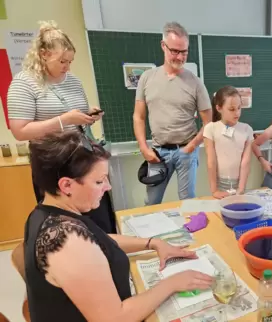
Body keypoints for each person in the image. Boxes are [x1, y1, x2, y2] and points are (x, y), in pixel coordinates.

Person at [25, 131, 213, 322]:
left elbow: (98, 239)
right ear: (66, 185)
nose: (108, 187)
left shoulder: (45, 212)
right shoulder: (68, 242)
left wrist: (152, 243)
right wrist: (172, 283)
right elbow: (115, 319)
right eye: (99, 181)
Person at [6, 20, 116, 234]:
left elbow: (77, 112)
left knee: (98, 217)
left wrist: (87, 114)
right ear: (44, 54)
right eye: (62, 61)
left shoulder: (72, 81)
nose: (67, 66)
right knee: (67, 224)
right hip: (52, 163)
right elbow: (20, 131)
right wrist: (64, 120)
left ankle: (107, 256)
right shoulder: (24, 83)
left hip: (81, 158)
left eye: (70, 61)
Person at [133, 22, 212, 205]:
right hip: (157, 153)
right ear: (163, 46)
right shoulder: (146, 78)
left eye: (184, 52)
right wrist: (144, 148)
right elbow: (139, 116)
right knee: (152, 202)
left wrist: (191, 147)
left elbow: (209, 123)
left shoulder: (195, 83)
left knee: (188, 202)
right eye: (174, 51)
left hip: (186, 151)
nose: (179, 57)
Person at [203, 86, 254, 199]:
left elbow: (245, 162)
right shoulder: (211, 128)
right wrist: (214, 190)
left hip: (239, 185)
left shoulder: (246, 129)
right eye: (231, 109)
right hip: (219, 185)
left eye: (239, 108)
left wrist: (241, 189)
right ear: (219, 108)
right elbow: (211, 161)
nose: (237, 113)